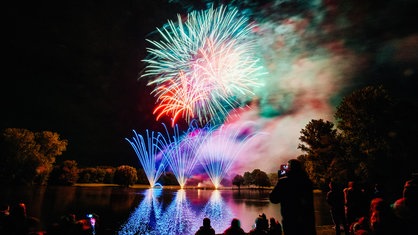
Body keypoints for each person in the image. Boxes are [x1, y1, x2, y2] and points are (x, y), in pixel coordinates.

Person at [269, 159, 316, 235]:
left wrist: (279, 182)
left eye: (287, 167)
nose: (285, 169)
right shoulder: (307, 182)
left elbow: (273, 199)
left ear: (290, 168)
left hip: (290, 222)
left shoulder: (284, 182)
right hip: (307, 221)